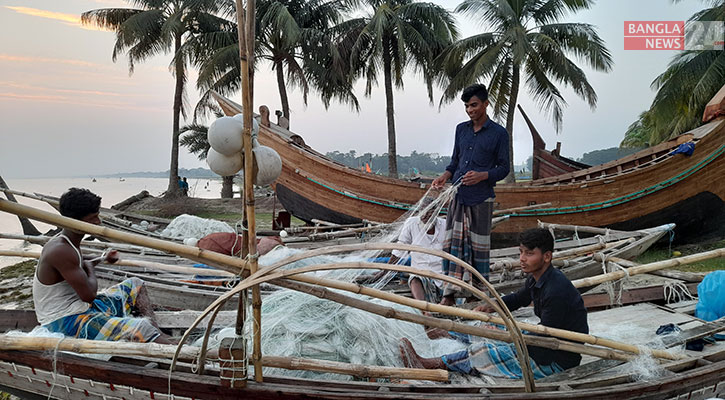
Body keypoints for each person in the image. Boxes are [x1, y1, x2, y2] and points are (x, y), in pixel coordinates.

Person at [399, 228, 588, 379]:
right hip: (545, 342)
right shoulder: (537, 278)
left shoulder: (556, 291)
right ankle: (448, 333)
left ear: (547, 257)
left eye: (529, 254)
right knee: (490, 328)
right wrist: (490, 306)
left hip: (555, 360)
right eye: (521, 252)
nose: (522, 259)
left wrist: (509, 342)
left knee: (485, 350)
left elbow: (544, 339)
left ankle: (432, 363)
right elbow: (518, 299)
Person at [32, 187, 173, 343]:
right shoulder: (60, 250)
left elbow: (79, 262)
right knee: (140, 327)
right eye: (94, 217)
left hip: (81, 309)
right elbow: (89, 295)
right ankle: (166, 344)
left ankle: (157, 333)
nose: (98, 222)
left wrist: (103, 258)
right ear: (77, 221)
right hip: (64, 322)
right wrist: (91, 269)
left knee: (136, 284)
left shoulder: (68, 242)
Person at [431, 83, 509, 306]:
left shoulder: (499, 134)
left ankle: (477, 293)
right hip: (459, 196)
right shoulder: (461, 130)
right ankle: (450, 293)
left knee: (478, 248)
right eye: (467, 106)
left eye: (474, 105)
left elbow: (504, 168)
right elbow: (455, 161)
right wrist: (445, 176)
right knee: (452, 245)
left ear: (486, 103)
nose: (470, 110)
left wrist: (482, 176)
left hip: (481, 198)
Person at [389, 198, 447, 303]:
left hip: (441, 276)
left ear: (436, 212)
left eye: (430, 212)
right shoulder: (411, 223)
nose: (425, 215)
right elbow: (400, 248)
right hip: (420, 273)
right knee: (415, 279)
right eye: (423, 211)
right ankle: (423, 308)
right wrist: (385, 271)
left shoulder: (445, 225)